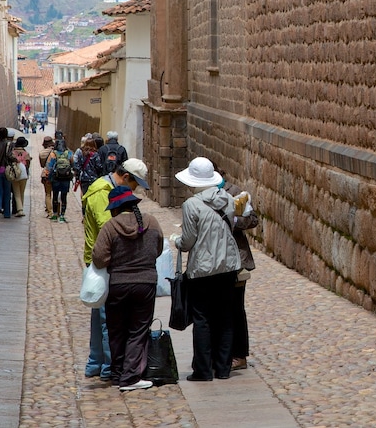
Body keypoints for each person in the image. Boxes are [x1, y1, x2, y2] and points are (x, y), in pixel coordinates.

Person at [81, 158, 152, 383]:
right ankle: (111, 367)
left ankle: (96, 363)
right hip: (108, 264)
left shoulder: (103, 188)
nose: (136, 190)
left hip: (105, 262)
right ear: (126, 177)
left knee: (99, 314)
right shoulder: (103, 192)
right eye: (135, 184)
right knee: (108, 320)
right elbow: (109, 232)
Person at [172, 157, 241, 381]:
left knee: (202, 318)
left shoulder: (191, 205)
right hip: (228, 266)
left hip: (202, 269)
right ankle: (223, 368)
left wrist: (177, 241)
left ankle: (203, 370)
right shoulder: (228, 200)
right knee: (225, 317)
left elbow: (189, 240)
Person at [92, 185, 163, 392]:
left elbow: (99, 258)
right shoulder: (152, 222)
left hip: (118, 285)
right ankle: (131, 375)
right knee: (137, 330)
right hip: (145, 284)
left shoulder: (110, 227)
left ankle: (119, 374)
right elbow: (157, 249)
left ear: (115, 208)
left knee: (116, 330)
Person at [216, 167, 260, 371]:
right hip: (214, 259)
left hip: (237, 258)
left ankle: (239, 354)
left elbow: (252, 220)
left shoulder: (237, 193)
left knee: (235, 306)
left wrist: (233, 220)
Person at [46, 138, 74, 222]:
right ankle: (62, 215)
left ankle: (55, 214)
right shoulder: (69, 153)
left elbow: (49, 166)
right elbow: (73, 164)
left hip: (56, 178)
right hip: (66, 178)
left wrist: (48, 177)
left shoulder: (53, 154)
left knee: (55, 195)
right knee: (64, 197)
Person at [73, 134, 103, 200]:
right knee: (92, 195)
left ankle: (84, 208)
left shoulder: (81, 153)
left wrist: (78, 175)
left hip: (84, 178)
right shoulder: (95, 154)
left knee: (84, 194)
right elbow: (98, 166)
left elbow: (77, 164)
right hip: (93, 178)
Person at [8, 136, 31, 217]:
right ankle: (21, 209)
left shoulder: (13, 152)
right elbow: (28, 164)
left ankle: (19, 210)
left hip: (15, 173)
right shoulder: (26, 153)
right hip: (24, 173)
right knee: (22, 192)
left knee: (16, 193)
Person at [38, 136, 55, 217]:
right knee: (56, 193)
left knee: (48, 194)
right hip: (57, 175)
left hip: (47, 174)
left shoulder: (42, 153)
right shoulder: (57, 152)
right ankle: (57, 211)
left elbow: (42, 165)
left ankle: (50, 212)